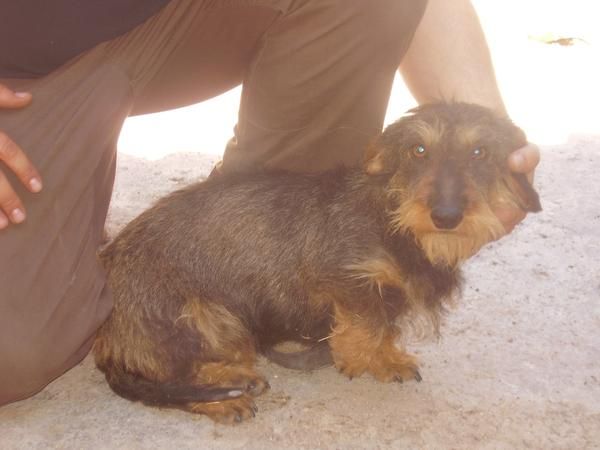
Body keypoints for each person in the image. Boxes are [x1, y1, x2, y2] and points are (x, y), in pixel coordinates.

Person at [0, 0, 540, 406]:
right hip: (17, 69)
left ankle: (258, 260)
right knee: (14, 356)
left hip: (167, 18)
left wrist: (493, 130)